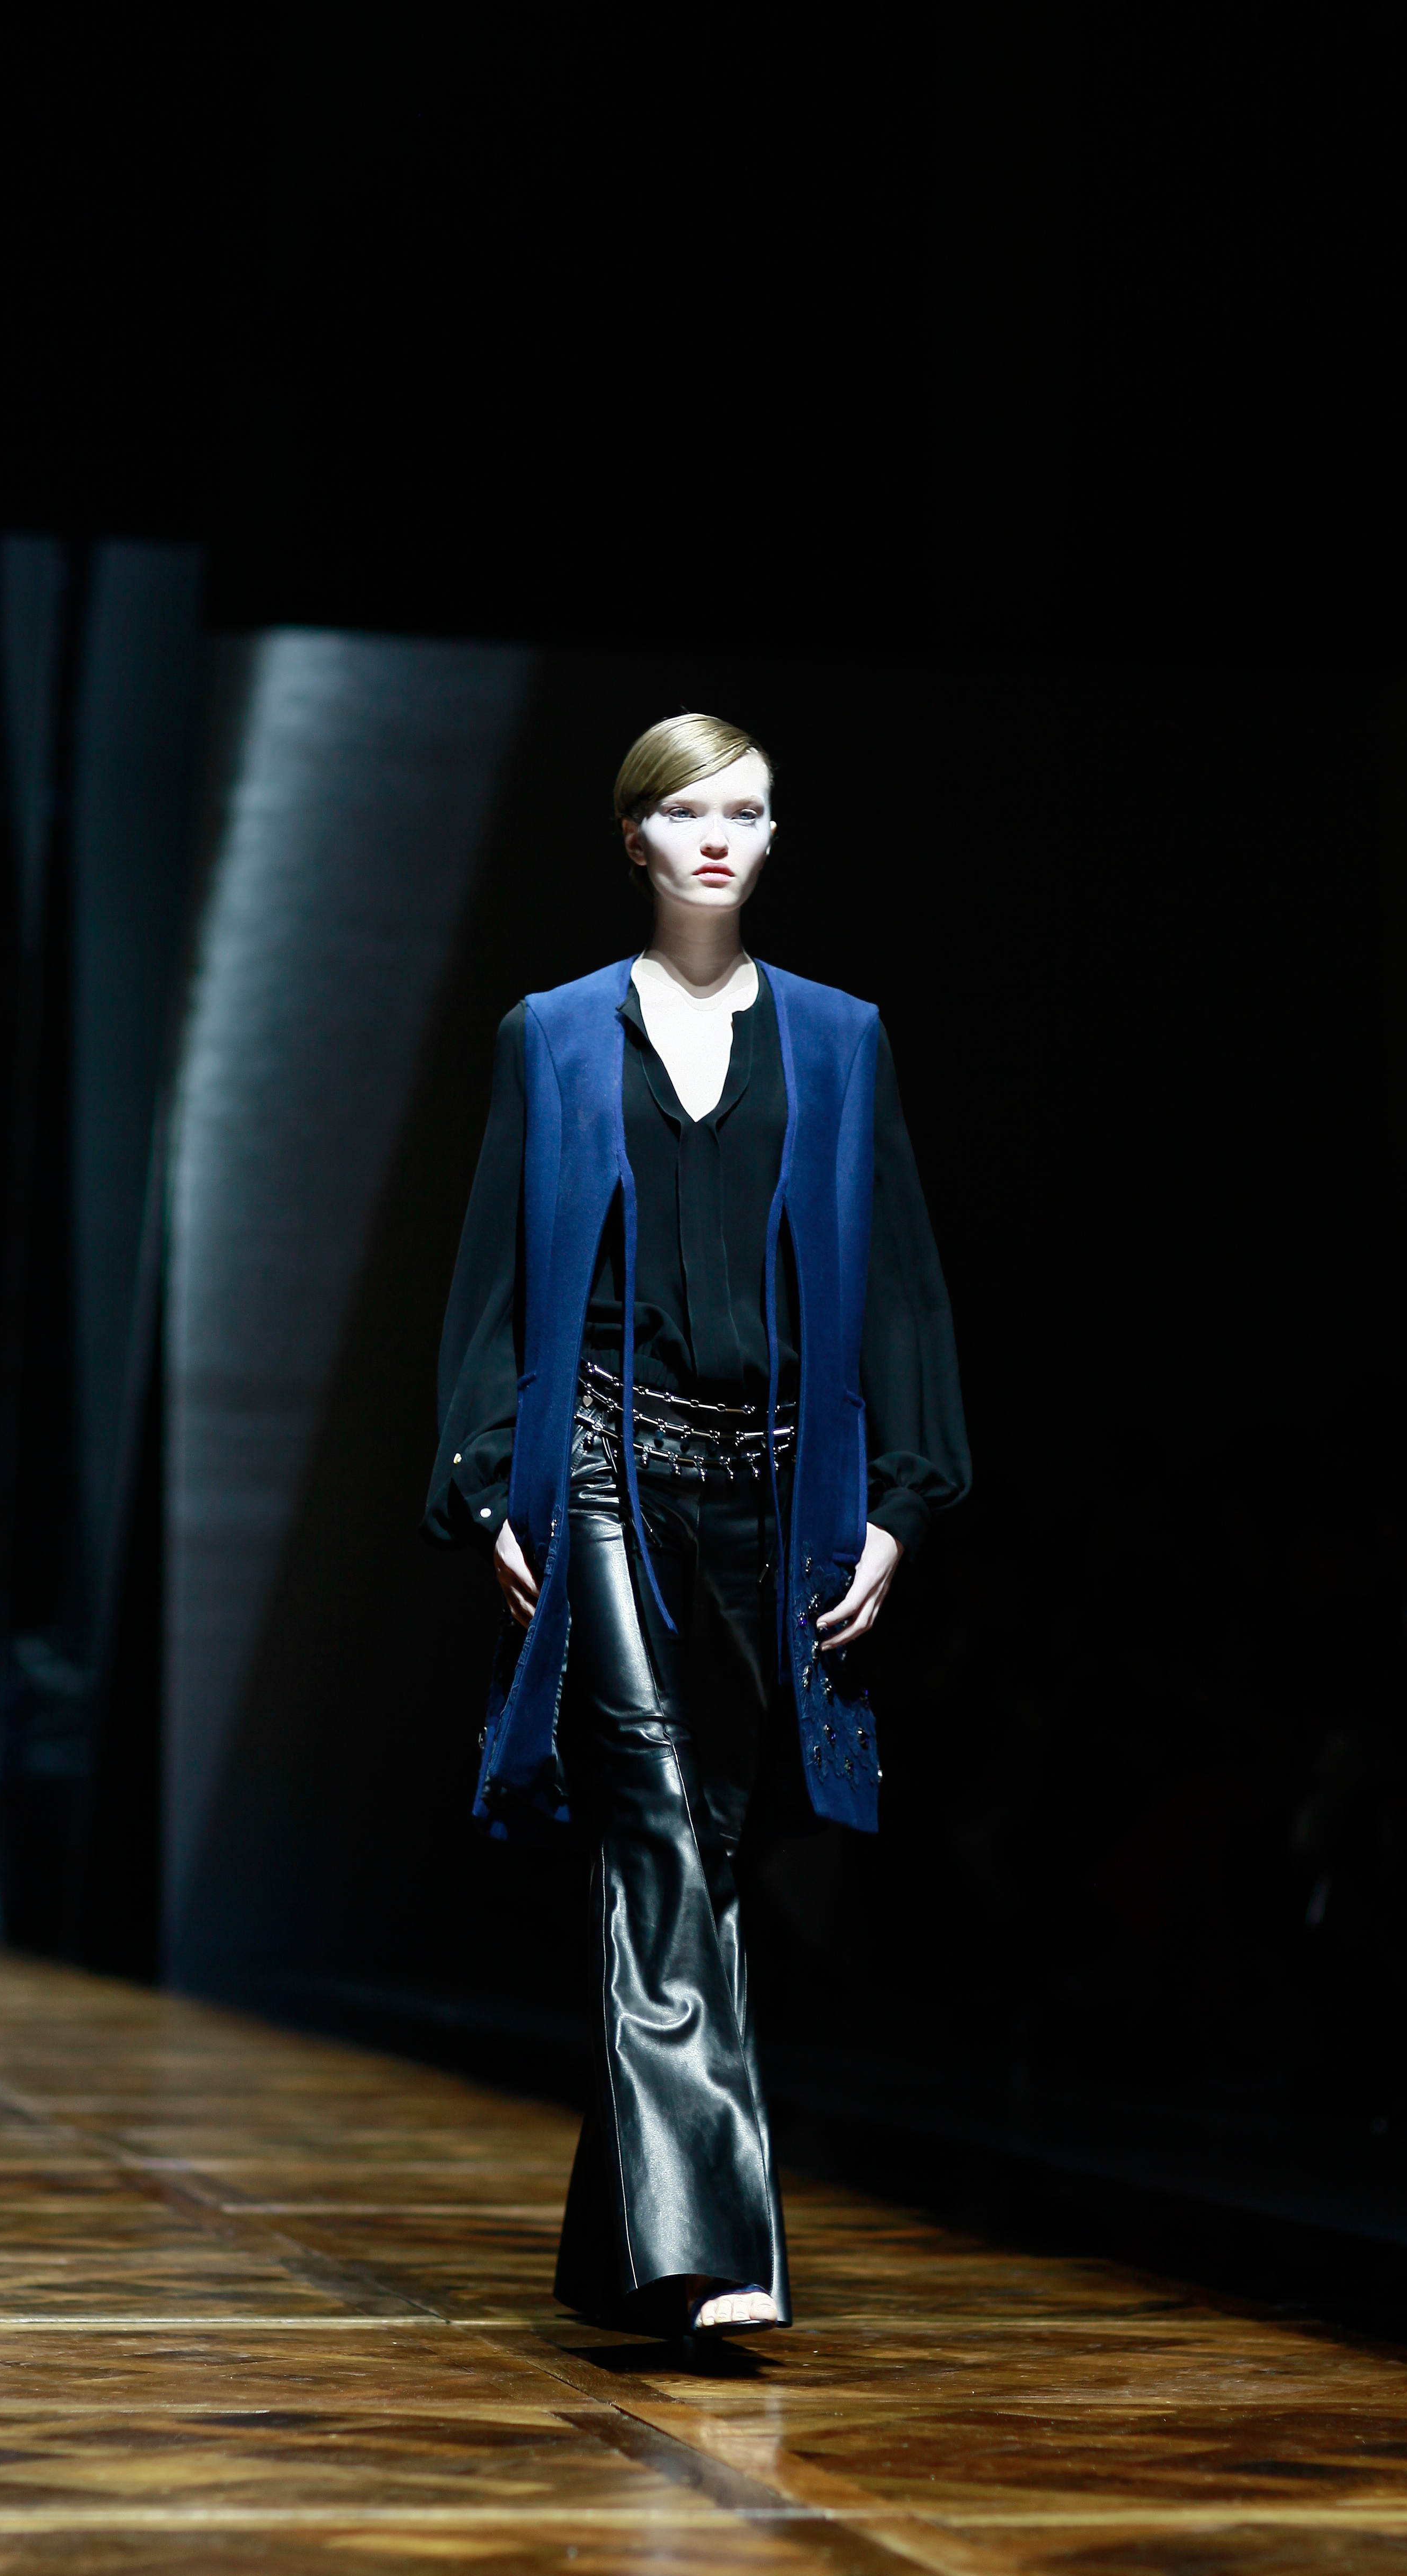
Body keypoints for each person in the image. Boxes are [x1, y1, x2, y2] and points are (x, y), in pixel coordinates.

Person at [425, 712, 969, 2336]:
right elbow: (495, 1274)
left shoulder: (843, 1038)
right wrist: (483, 1477)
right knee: (657, 1823)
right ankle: (715, 2247)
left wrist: (901, 1500)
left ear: (772, 837)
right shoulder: (550, 1034)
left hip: (774, 1489)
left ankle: (619, 2251)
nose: (718, 836)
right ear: (633, 837)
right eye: (686, 811)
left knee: (705, 1848)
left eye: (747, 810)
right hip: (600, 1467)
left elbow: (900, 1284)